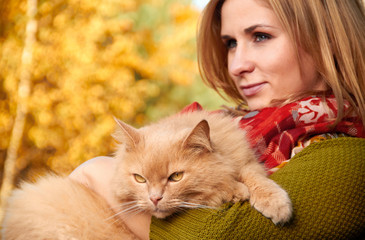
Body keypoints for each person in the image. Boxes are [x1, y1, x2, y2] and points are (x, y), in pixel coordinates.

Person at [69, 0, 365, 239]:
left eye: (260, 36)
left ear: (325, 38)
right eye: (230, 44)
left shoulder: (349, 157)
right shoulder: (231, 129)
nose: (237, 65)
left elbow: (219, 233)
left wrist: (96, 172)